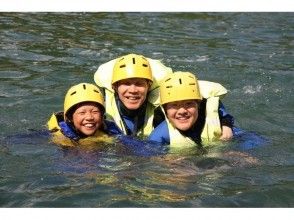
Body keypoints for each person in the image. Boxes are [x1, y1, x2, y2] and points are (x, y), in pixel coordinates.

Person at [47, 82, 167, 156]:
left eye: (95, 112)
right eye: (82, 112)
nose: (89, 117)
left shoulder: (109, 132)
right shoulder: (58, 136)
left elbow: (138, 147)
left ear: (103, 116)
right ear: (69, 118)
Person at [148, 71, 234, 151]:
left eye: (188, 104)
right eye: (174, 105)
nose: (182, 111)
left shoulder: (220, 124)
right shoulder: (159, 136)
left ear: (198, 105)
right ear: (165, 109)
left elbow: (245, 139)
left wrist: (227, 126)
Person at [93, 53, 173, 137]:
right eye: (126, 84)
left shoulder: (163, 111)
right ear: (115, 87)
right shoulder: (100, 110)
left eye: (139, 84)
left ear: (148, 86)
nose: (133, 90)